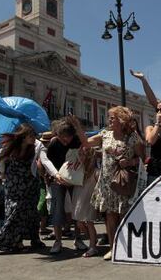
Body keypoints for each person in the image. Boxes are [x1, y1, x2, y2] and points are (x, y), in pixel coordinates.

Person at [70, 106, 144, 261]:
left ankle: (129, 248)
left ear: (122, 120)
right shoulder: (104, 135)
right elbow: (86, 142)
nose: (109, 120)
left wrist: (130, 161)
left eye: (112, 117)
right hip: (106, 183)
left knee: (124, 215)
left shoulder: (133, 138)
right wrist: (77, 126)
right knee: (109, 217)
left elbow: (143, 159)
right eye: (109, 117)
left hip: (123, 183)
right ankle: (113, 248)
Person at [0, 124, 52, 252]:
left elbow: (45, 161)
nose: (34, 138)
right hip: (14, 184)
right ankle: (8, 241)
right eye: (31, 135)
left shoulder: (36, 145)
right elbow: (0, 160)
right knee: (15, 211)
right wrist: (3, 173)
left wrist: (55, 173)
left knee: (32, 213)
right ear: (23, 137)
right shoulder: (10, 146)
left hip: (30, 184)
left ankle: (33, 239)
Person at [46, 118, 88, 254]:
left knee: (77, 209)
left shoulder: (76, 141)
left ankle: (78, 239)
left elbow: (86, 148)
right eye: (62, 138)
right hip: (58, 180)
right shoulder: (53, 145)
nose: (65, 141)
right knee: (57, 209)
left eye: (67, 138)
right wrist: (55, 177)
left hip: (75, 180)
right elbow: (49, 165)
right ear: (57, 135)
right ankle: (58, 241)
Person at [71, 147, 99, 257]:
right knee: (80, 223)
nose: (81, 157)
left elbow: (98, 184)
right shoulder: (79, 168)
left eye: (83, 155)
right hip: (78, 198)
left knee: (89, 222)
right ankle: (94, 240)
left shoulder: (95, 171)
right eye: (80, 155)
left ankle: (93, 247)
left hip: (89, 199)